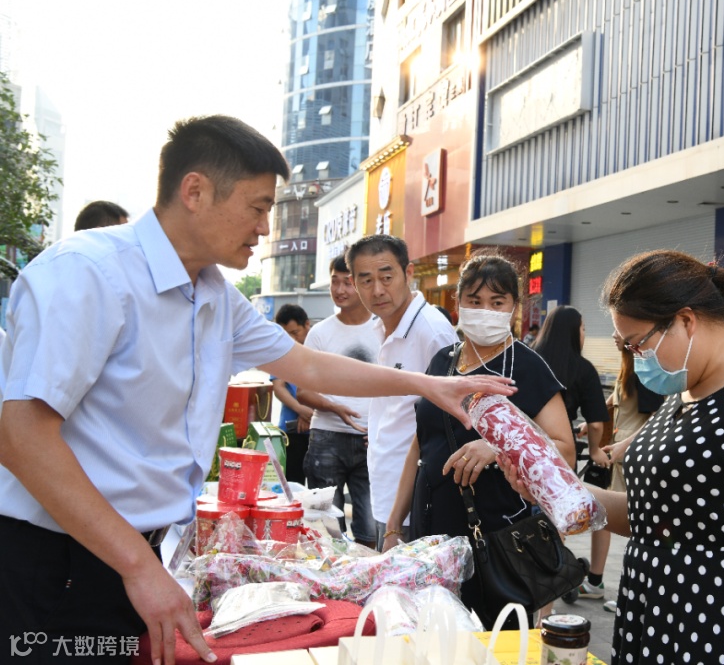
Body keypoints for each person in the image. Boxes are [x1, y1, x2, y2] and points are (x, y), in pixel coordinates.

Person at [0, 114, 512, 665]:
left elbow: (307, 364)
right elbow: (20, 435)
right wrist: (136, 566)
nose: (265, 228)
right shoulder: (88, 274)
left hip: (132, 555)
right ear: (195, 191)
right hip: (58, 561)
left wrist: (429, 385)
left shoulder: (214, 295)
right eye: (258, 207)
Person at [502, 250, 724, 664]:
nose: (635, 358)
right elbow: (656, 515)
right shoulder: (683, 393)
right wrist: (554, 486)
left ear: (685, 320)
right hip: (653, 622)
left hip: (721, 634)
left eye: (638, 344)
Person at [381, 253, 576, 627]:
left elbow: (565, 450)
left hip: (494, 540)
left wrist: (499, 446)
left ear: (514, 308)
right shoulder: (443, 362)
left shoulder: (528, 366)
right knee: (430, 634)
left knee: (491, 639)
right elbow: (420, 445)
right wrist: (393, 526)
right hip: (429, 532)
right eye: (474, 300)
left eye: (497, 302)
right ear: (458, 303)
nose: (485, 310)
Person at [346, 234, 457, 550]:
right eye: (366, 280)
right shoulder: (382, 326)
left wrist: (396, 523)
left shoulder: (431, 331)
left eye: (386, 277)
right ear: (354, 284)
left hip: (415, 501)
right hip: (386, 488)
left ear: (408, 273)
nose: (377, 290)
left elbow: (449, 419)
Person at [297, 256, 379, 547]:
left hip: (371, 439)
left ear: (362, 284)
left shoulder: (383, 329)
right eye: (335, 281)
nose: (340, 289)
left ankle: (365, 574)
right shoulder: (320, 333)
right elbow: (303, 392)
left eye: (348, 282)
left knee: (372, 530)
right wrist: (334, 407)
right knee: (326, 530)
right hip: (326, 439)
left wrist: (383, 430)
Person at [532, 305, 610, 599]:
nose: (585, 334)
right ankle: (552, 596)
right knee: (557, 524)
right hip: (561, 455)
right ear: (573, 332)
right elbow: (596, 423)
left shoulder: (529, 359)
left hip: (524, 450)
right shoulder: (583, 368)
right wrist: (595, 450)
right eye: (583, 328)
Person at [596, 341, 663, 613]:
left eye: (620, 333)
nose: (614, 336)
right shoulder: (627, 369)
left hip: (632, 458)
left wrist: (626, 445)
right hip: (620, 455)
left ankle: (636, 593)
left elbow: (658, 418)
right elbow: (614, 405)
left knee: (636, 525)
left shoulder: (644, 372)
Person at [271, 304, 314, 485]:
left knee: (319, 486)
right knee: (292, 483)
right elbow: (279, 387)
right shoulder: (281, 352)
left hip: (318, 429)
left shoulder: (318, 348)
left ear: (307, 325)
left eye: (295, 332)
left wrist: (309, 410)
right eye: (286, 334)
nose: (292, 338)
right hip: (290, 431)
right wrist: (300, 409)